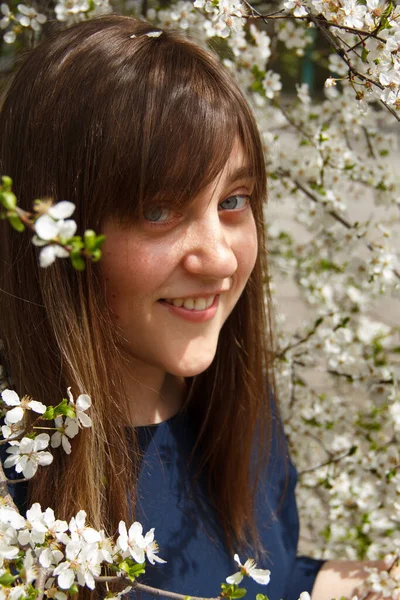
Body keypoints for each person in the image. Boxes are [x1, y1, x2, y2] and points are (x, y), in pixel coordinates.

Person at [0, 15, 387, 600]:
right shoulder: (19, 489)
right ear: (53, 235)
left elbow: (278, 583)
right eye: (159, 211)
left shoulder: (238, 407)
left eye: (234, 200)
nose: (220, 259)